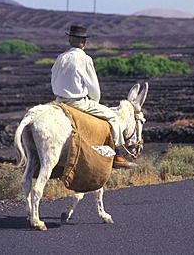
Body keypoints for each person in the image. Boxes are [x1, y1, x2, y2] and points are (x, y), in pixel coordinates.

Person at [51, 24, 137, 169]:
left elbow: (54, 78)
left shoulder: (61, 57)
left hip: (59, 100)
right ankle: (117, 155)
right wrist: (95, 101)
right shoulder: (85, 59)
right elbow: (94, 89)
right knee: (113, 117)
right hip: (77, 102)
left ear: (70, 40)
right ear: (84, 43)